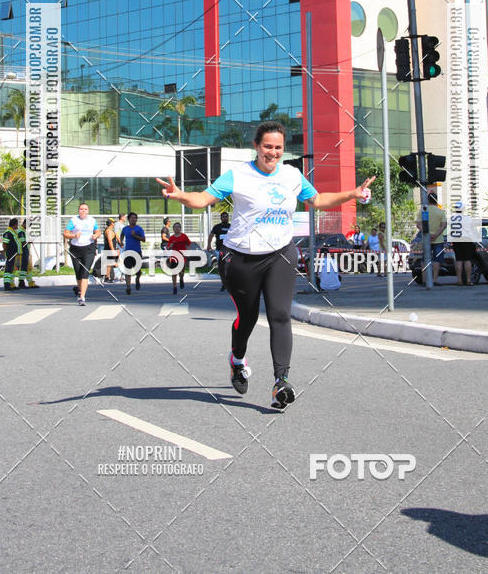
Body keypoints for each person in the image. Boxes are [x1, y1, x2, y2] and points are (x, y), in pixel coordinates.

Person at [157, 120, 375, 410]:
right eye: (268, 147)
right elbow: (203, 199)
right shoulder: (238, 175)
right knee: (246, 318)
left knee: (280, 314)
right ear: (257, 147)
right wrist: (180, 194)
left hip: (280, 255)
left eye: (278, 148)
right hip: (241, 258)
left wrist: (352, 193)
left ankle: (281, 382)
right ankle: (237, 359)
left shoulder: (292, 175)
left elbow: (319, 199)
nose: (273, 152)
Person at [63, 203, 101, 306]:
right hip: (75, 249)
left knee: (85, 272)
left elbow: (98, 231)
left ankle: (82, 297)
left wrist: (95, 236)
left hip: (89, 248)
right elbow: (65, 233)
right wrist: (74, 235)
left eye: (85, 209)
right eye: (81, 209)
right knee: (78, 272)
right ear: (78, 210)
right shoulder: (74, 220)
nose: (83, 211)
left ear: (88, 211)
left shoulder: (92, 220)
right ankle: (80, 290)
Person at [415, 194, 447, 287]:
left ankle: (425, 280)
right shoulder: (441, 212)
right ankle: (434, 279)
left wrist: (427, 234)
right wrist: (436, 235)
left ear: (428, 200)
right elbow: (444, 225)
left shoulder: (423, 211)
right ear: (436, 200)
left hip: (426, 239)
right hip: (438, 240)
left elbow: (418, 224)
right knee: (437, 260)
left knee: (425, 260)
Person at [450, 201, 480, 286]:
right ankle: (468, 280)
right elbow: (473, 230)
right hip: (467, 239)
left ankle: (459, 280)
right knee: (467, 260)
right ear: (463, 209)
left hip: (456, 240)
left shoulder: (452, 219)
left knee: (459, 260)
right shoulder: (468, 218)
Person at [119, 212, 146, 294]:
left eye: (135, 218)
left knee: (138, 270)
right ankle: (128, 287)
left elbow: (144, 239)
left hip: (137, 252)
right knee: (128, 270)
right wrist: (121, 242)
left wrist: (135, 236)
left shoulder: (139, 229)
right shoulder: (125, 228)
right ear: (129, 219)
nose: (133, 219)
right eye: (132, 218)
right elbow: (122, 235)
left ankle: (137, 279)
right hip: (128, 252)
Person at [207, 211, 231, 291]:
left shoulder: (231, 226)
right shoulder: (216, 227)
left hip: (229, 250)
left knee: (228, 267)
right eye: (223, 217)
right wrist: (208, 245)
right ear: (221, 218)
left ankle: (229, 283)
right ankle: (223, 283)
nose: (225, 218)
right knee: (221, 267)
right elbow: (211, 235)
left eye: (226, 216)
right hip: (219, 250)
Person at [167, 222, 191, 294]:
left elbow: (189, 244)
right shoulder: (171, 238)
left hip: (182, 256)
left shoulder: (184, 236)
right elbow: (168, 247)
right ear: (173, 229)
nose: (177, 228)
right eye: (175, 227)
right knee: (174, 272)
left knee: (181, 272)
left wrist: (187, 251)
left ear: (180, 228)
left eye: (178, 227)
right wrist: (171, 245)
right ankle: (174, 287)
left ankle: (181, 279)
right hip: (174, 257)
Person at [17, 219, 39, 288]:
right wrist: (29, 241)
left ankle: (30, 282)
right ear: (24, 224)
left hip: (25, 250)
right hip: (23, 250)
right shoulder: (21, 231)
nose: (28, 227)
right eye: (28, 225)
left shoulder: (23, 231)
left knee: (28, 267)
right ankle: (21, 282)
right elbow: (23, 242)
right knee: (24, 267)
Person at [2, 217, 22, 290]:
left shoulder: (13, 232)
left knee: (12, 270)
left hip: (14, 253)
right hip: (10, 254)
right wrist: (6, 252)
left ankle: (11, 284)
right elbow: (5, 244)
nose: (17, 226)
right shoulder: (8, 232)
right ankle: (7, 285)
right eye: (17, 224)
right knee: (8, 269)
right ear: (14, 225)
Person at [102, 218, 119, 283]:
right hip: (109, 249)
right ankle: (107, 278)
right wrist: (113, 250)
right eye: (113, 222)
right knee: (110, 264)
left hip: (108, 249)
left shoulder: (110, 230)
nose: (114, 224)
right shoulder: (109, 231)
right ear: (111, 223)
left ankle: (108, 278)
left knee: (109, 264)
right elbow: (109, 240)